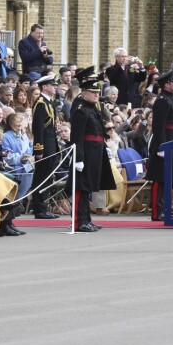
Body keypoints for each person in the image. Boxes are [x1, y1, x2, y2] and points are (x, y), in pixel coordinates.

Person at [69, 74, 115, 232]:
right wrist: (79, 158)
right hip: (86, 152)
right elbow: (77, 136)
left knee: (88, 187)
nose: (97, 95)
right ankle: (79, 221)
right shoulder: (81, 109)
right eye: (93, 92)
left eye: (98, 92)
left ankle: (87, 219)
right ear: (84, 93)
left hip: (95, 150)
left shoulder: (91, 107)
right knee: (81, 187)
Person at [146, 69, 173, 221]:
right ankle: (157, 211)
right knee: (160, 177)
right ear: (166, 85)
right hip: (166, 142)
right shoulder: (162, 101)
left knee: (170, 176)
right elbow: (158, 126)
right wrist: (162, 146)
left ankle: (165, 207)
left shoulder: (171, 99)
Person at [30, 74, 60, 219]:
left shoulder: (49, 102)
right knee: (41, 177)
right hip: (45, 146)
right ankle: (39, 209)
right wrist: (39, 148)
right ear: (44, 87)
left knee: (47, 178)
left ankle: (44, 207)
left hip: (51, 144)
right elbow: (38, 128)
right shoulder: (41, 103)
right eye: (52, 85)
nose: (55, 87)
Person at [2, 112, 34, 200]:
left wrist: (28, 155)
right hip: (14, 167)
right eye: (16, 122)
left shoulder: (24, 135)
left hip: (27, 164)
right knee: (30, 171)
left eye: (20, 121)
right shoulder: (6, 136)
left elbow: (29, 149)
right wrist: (21, 158)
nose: (19, 124)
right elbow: (7, 156)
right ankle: (18, 199)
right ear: (11, 124)